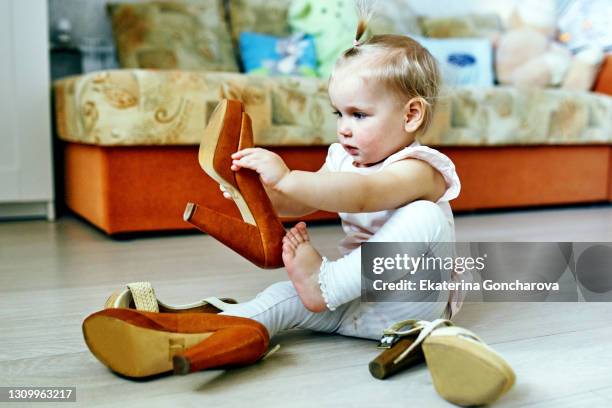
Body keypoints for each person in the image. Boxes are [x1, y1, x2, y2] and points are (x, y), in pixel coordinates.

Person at [218, 5, 462, 341]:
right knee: (281, 296)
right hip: (355, 301)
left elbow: (364, 194)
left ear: (411, 115)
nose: (344, 129)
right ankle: (219, 326)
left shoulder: (420, 169)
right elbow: (303, 202)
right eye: (339, 113)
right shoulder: (341, 158)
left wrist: (288, 177)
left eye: (359, 115)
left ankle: (325, 283)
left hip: (412, 305)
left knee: (426, 215)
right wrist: (256, 194)